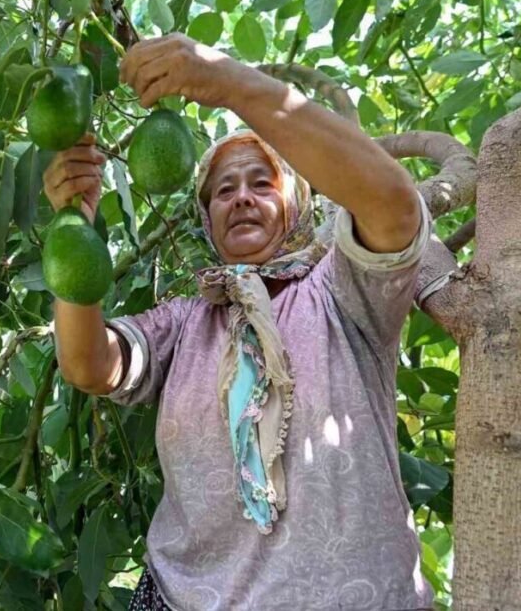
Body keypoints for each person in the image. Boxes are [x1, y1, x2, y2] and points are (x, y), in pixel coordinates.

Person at [44, 33, 449, 610]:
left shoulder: (342, 291)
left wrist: (227, 82)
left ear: (299, 206)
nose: (241, 197)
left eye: (262, 183)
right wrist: (72, 225)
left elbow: (392, 203)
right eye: (223, 190)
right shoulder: (188, 322)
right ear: (207, 220)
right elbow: (90, 364)